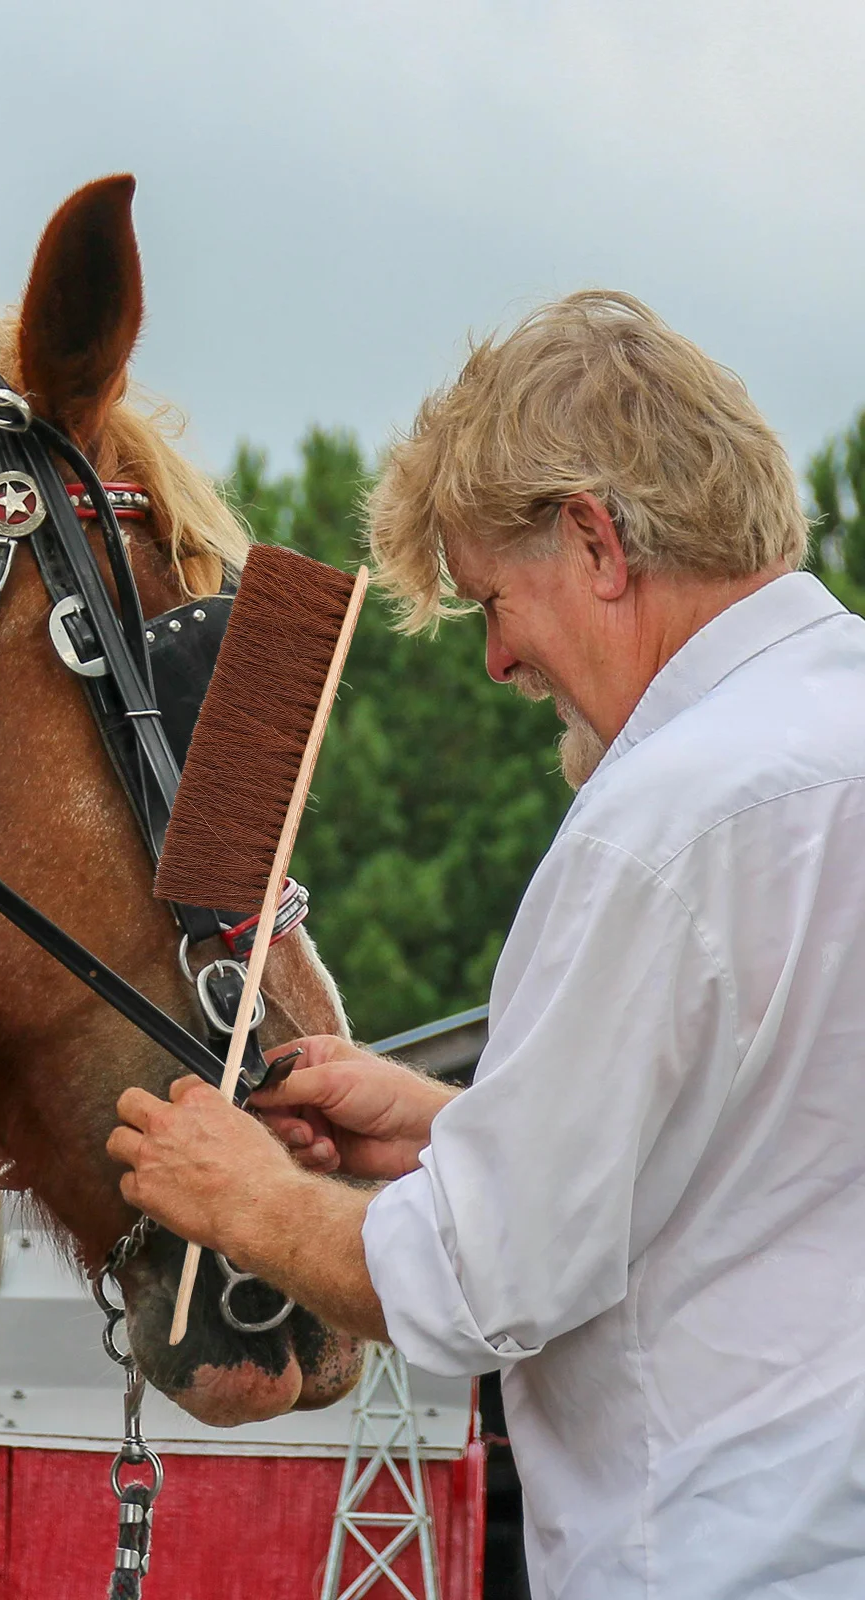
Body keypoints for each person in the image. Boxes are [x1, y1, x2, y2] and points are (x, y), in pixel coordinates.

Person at [108, 291, 865, 1599]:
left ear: (597, 541)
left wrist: (245, 1196)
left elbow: (480, 1281)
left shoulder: (661, 825)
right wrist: (451, 1131)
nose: (499, 661)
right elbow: (761, 1164)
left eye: (492, 601)